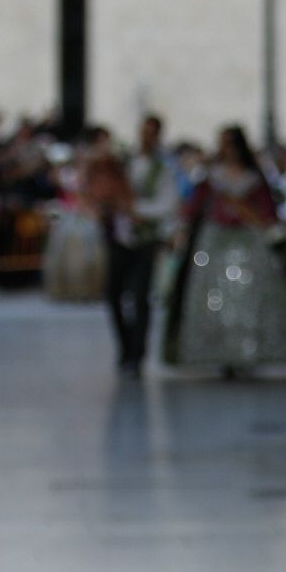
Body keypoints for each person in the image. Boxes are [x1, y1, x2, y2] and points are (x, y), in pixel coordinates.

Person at [163, 123, 286, 373]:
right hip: (215, 241)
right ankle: (218, 352)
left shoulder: (253, 178)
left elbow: (266, 211)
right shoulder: (211, 178)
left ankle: (249, 351)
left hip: (248, 242)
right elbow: (193, 206)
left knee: (249, 297)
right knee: (213, 297)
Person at [108, 113, 176, 376]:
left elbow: (167, 204)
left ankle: (136, 354)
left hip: (146, 239)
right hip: (122, 236)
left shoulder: (164, 168)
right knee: (113, 294)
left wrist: (138, 210)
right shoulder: (127, 163)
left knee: (139, 297)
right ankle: (126, 347)